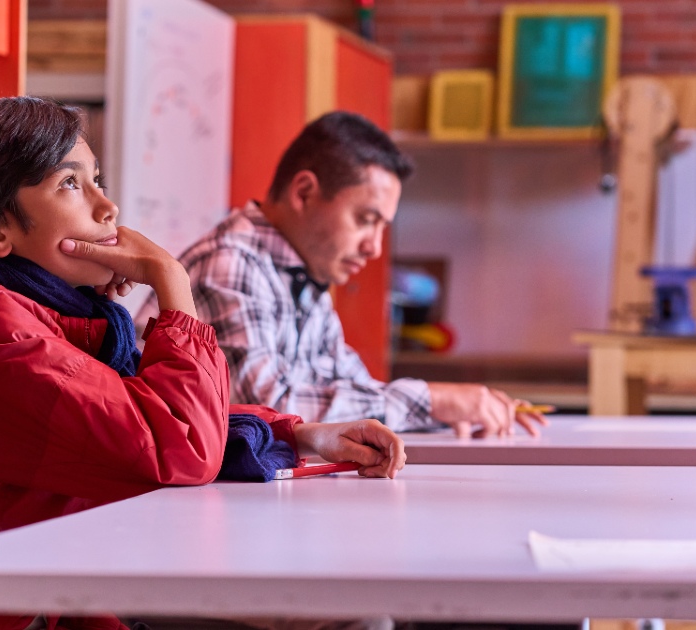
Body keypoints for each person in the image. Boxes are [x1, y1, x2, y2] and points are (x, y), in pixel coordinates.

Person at [0, 97, 405, 630]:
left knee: (349, 614)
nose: (108, 207)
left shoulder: (33, 314)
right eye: (70, 184)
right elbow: (175, 449)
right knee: (348, 618)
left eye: (96, 178)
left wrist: (300, 436)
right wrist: (172, 283)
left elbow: (137, 424)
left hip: (23, 603)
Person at [138, 112, 548, 437]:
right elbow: (272, 408)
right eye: (365, 219)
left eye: (382, 226)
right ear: (304, 193)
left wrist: (449, 410)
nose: (374, 247)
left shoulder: (301, 274)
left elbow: (354, 389)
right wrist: (433, 399)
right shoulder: (232, 264)